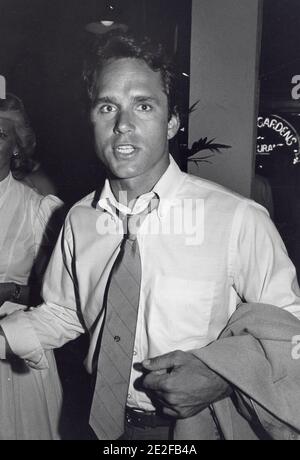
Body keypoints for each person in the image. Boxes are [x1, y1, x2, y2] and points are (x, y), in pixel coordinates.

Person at [0, 31, 300, 440]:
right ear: (91, 117)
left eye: (143, 105)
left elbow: (290, 329)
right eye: (108, 106)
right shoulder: (80, 219)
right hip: (99, 427)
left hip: (201, 428)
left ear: (172, 120)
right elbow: (65, 311)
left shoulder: (238, 220)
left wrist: (223, 375)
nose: (123, 125)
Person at [0, 93, 63, 439]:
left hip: (16, 348)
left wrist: (11, 291)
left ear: (16, 148)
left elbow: (59, 297)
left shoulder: (39, 209)